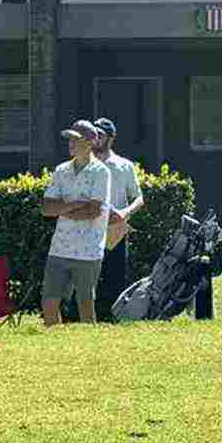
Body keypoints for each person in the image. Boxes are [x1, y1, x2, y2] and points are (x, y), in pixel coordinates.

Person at [39, 120, 113, 327]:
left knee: (85, 302)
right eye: (69, 139)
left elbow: (93, 211)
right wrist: (74, 205)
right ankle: (55, 344)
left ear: (90, 142)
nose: (70, 143)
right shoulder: (61, 170)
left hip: (88, 250)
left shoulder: (101, 172)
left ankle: (89, 346)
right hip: (59, 247)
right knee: (49, 301)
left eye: (76, 139)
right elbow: (46, 208)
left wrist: (61, 208)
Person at [90, 117, 145, 321]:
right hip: (87, 228)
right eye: (93, 135)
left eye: (100, 135)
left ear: (111, 139)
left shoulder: (124, 166)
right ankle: (88, 317)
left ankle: (115, 317)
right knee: (88, 274)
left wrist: (124, 213)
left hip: (115, 229)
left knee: (115, 275)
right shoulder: (84, 164)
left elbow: (138, 198)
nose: (95, 139)